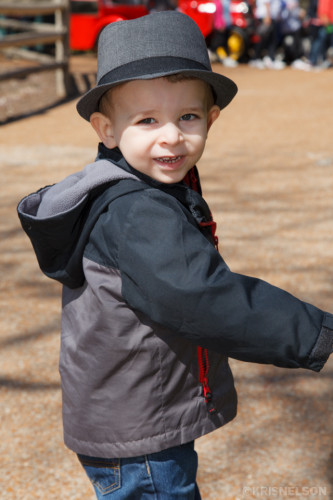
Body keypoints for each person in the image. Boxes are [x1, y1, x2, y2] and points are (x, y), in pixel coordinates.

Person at [17, 11, 333, 500]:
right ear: (106, 129)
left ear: (210, 119)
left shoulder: (143, 186)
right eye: (147, 120)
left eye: (187, 117)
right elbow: (203, 296)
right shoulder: (137, 212)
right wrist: (315, 333)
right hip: (139, 427)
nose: (171, 136)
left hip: (127, 410)